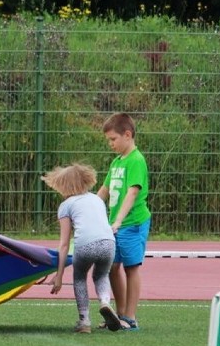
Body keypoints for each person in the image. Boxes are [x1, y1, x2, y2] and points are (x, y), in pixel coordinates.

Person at [42, 164, 122, 333]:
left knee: (79, 277)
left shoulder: (65, 206)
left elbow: (64, 244)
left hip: (85, 245)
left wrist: (59, 275)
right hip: (109, 243)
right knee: (101, 275)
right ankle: (106, 302)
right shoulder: (97, 199)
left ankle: (84, 320)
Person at [96, 113, 151, 331]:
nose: (110, 144)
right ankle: (118, 316)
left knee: (131, 268)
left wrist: (118, 220)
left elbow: (132, 193)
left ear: (127, 135)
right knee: (112, 267)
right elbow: (105, 190)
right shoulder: (117, 162)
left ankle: (131, 317)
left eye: (113, 139)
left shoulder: (136, 160)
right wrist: (88, 207)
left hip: (132, 224)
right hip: (115, 226)